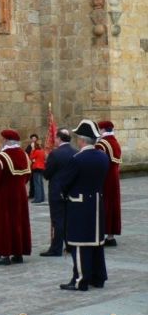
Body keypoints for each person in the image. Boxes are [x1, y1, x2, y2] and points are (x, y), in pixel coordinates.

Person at [59, 120, 109, 291]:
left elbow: (65, 183)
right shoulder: (103, 157)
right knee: (96, 243)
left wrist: (64, 195)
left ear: (82, 140)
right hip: (97, 203)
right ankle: (99, 277)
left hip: (80, 205)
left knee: (79, 244)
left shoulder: (78, 159)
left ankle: (80, 280)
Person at [0, 129, 32, 265]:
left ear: (5, 141)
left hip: (4, 196)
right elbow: (28, 175)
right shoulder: (24, 155)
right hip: (20, 194)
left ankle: (4, 254)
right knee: (19, 222)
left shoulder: (1, 158)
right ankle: (18, 253)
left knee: (3, 224)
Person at [41, 128, 77, 257]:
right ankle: (70, 245)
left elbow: (47, 174)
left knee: (58, 220)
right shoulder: (75, 152)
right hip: (71, 190)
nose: (54, 141)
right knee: (69, 219)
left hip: (57, 190)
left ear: (59, 139)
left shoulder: (55, 154)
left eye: (55, 138)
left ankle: (56, 248)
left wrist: (45, 165)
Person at [96, 120, 122, 247]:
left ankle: (100, 235)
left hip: (105, 178)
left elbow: (97, 163)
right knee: (113, 205)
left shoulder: (102, 144)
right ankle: (110, 236)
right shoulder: (115, 142)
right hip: (115, 178)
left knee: (104, 205)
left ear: (103, 130)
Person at [25, 133, 39, 199]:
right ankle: (32, 194)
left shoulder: (38, 146)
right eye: (32, 138)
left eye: (35, 138)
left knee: (37, 180)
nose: (33, 139)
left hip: (37, 164)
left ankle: (37, 194)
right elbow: (26, 153)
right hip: (30, 164)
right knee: (31, 180)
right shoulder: (29, 146)